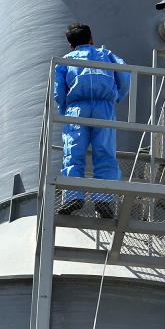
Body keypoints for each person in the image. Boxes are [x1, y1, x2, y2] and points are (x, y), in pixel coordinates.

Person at [54, 23, 130, 218]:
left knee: (73, 152)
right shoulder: (105, 55)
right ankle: (103, 200)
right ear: (91, 39)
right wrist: (118, 96)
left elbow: (59, 91)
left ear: (71, 46)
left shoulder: (66, 60)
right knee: (105, 152)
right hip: (103, 107)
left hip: (76, 108)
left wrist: (65, 109)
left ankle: (73, 196)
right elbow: (124, 75)